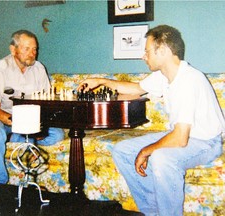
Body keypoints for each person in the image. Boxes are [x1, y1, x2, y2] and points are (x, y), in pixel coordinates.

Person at [77, 25, 225, 215]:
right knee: (123, 150)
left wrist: (146, 151)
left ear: (162, 51)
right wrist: (101, 81)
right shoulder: (164, 76)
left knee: (162, 157)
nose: (143, 56)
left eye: (147, 51)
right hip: (182, 135)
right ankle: (153, 211)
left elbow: (180, 139)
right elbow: (136, 88)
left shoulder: (189, 80)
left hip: (206, 142)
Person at [0, 30, 64, 184]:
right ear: (13, 49)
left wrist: (38, 127)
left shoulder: (39, 68)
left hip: (32, 119)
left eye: (35, 49)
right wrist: (24, 125)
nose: (32, 54)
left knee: (57, 134)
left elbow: (46, 103)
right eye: (27, 49)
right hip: (2, 118)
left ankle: (19, 137)